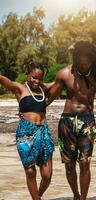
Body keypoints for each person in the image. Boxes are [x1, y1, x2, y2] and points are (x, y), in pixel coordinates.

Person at [47, 41, 96, 200]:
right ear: (76, 58)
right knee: (69, 165)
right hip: (67, 121)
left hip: (87, 121)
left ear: (92, 60)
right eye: (82, 63)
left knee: (85, 162)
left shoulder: (95, 74)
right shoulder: (64, 74)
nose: (85, 66)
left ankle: (83, 198)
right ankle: (76, 195)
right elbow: (48, 99)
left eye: (88, 63)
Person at [0, 62, 54, 200]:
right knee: (30, 172)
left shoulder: (43, 89)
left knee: (47, 175)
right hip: (26, 132)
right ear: (27, 75)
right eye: (33, 77)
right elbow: (5, 81)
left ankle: (38, 195)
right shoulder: (20, 88)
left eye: (39, 78)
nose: (36, 81)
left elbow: (60, 80)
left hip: (44, 131)